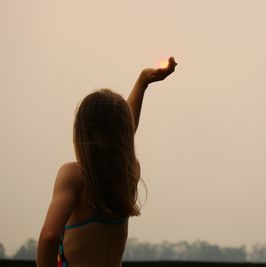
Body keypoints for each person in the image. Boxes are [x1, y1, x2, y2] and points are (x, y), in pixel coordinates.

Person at [36, 57, 178, 267]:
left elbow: (49, 237)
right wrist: (142, 83)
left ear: (82, 132)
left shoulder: (73, 176)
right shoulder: (128, 173)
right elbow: (123, 136)